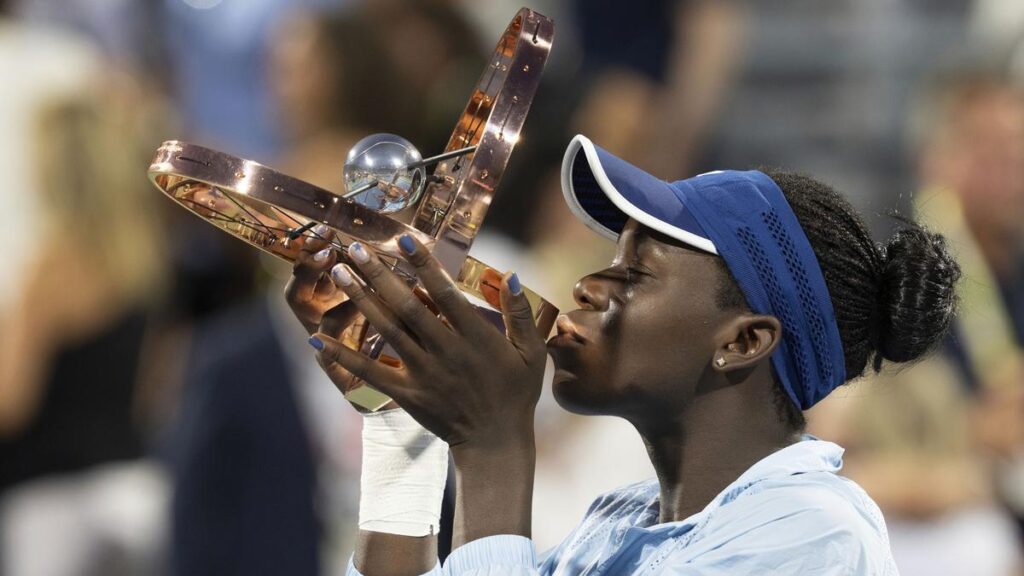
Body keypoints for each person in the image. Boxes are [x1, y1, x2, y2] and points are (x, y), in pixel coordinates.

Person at [285, 134, 961, 574]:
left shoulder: (813, 538)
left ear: (742, 341)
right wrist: (401, 416)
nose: (586, 285)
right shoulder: (610, 528)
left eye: (635, 274)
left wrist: (492, 448)